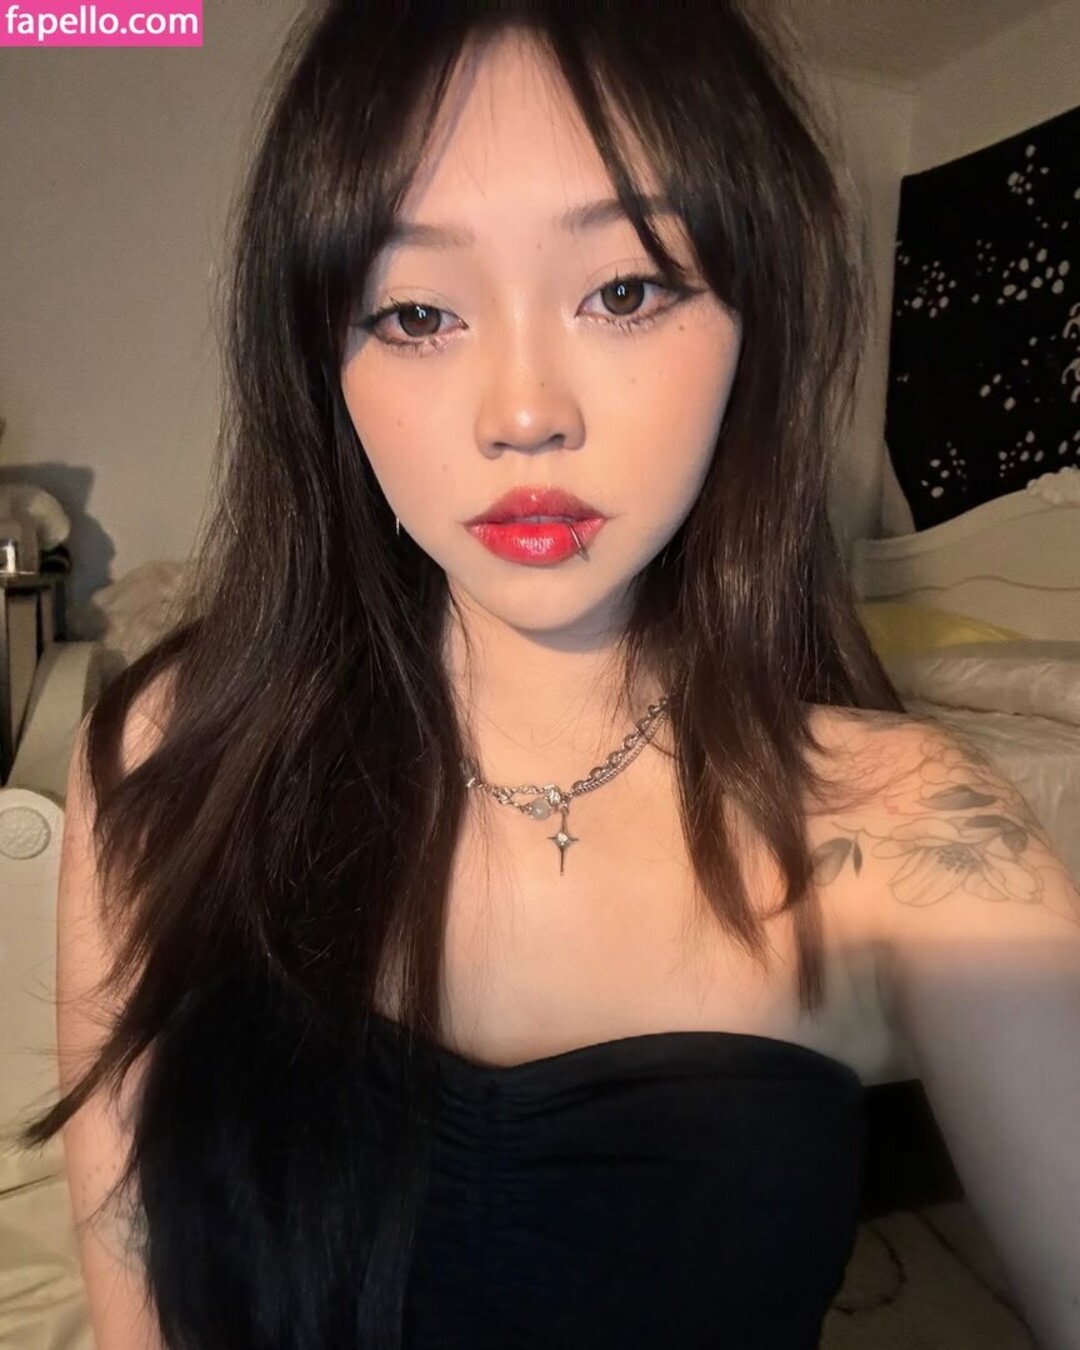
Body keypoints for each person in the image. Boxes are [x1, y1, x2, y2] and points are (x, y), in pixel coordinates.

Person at [19, 2, 1080, 1347]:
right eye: (416, 311)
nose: (523, 412)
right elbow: (132, 1300)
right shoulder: (167, 751)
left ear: (756, 314)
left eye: (624, 291)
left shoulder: (920, 831)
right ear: (320, 361)